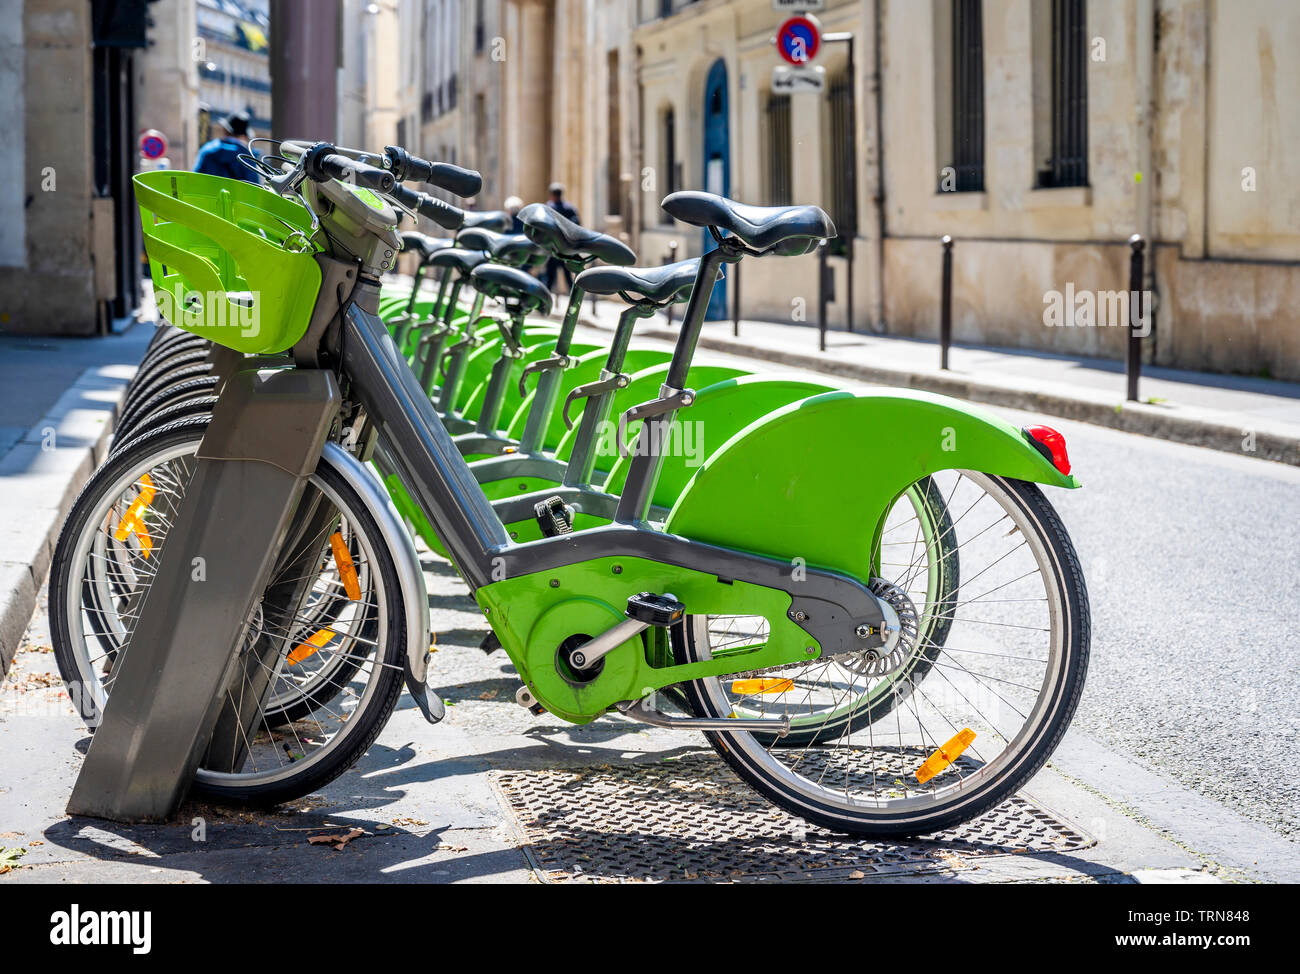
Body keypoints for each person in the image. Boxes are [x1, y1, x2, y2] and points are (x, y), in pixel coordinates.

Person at [194, 112, 260, 183]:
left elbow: (195, 179)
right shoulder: (247, 157)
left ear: (225, 130)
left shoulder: (208, 149)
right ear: (244, 136)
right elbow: (254, 186)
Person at [541, 181, 579, 292]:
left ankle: (544, 303)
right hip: (565, 248)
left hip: (553, 248)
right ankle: (574, 300)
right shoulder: (569, 208)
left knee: (549, 278)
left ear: (552, 194)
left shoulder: (548, 207)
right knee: (568, 277)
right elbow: (576, 225)